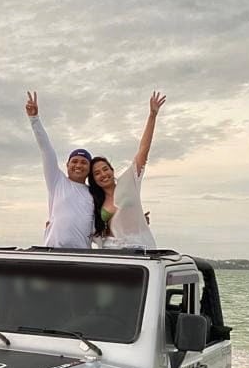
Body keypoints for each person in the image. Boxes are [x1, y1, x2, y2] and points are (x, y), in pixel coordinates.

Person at [89, 91, 166, 249]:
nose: (103, 174)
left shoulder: (129, 183)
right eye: (97, 173)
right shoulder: (95, 199)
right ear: (93, 179)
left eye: (105, 169)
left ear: (112, 170)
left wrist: (152, 116)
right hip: (111, 250)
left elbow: (143, 150)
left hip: (138, 247)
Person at [25, 90, 94, 248]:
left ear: (89, 169)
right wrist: (34, 118)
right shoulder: (57, 181)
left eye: (84, 162)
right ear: (67, 165)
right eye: (74, 161)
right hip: (53, 253)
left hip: (83, 257)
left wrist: (137, 220)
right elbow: (46, 149)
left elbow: (105, 225)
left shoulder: (94, 194)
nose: (78, 165)